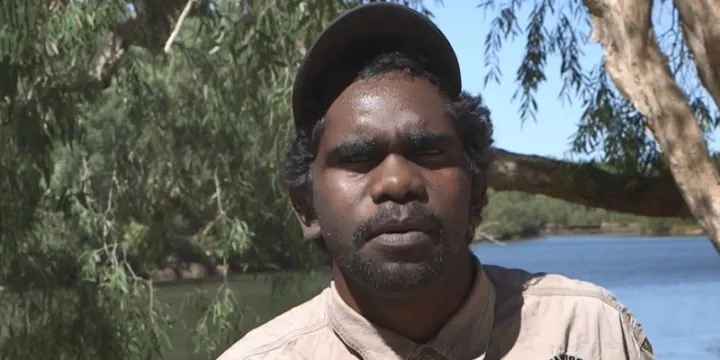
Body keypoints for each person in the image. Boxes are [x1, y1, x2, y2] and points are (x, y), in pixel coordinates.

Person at [217, 3, 654, 360]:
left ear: (479, 191)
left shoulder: (589, 335)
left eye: (427, 152)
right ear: (306, 207)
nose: (396, 181)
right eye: (358, 159)